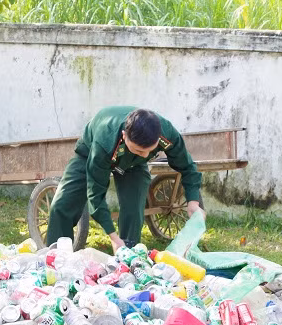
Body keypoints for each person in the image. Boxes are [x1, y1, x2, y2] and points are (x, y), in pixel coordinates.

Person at [46, 106, 204, 250]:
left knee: (134, 207)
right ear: (124, 135)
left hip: (135, 165)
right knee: (62, 205)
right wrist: (112, 236)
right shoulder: (104, 141)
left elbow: (187, 166)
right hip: (89, 154)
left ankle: (128, 253)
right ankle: (56, 256)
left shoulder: (166, 132)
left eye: (149, 150)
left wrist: (193, 202)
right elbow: (95, 194)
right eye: (139, 150)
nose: (146, 155)